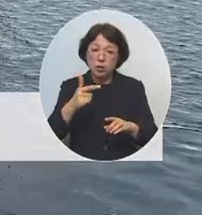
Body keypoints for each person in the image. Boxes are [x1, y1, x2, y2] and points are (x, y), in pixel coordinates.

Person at [47, 22, 158, 161]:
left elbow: (152, 138)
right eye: (94, 50)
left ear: (119, 56)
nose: (101, 58)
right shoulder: (71, 86)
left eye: (109, 51)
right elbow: (51, 136)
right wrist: (71, 107)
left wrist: (133, 128)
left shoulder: (133, 87)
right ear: (85, 54)